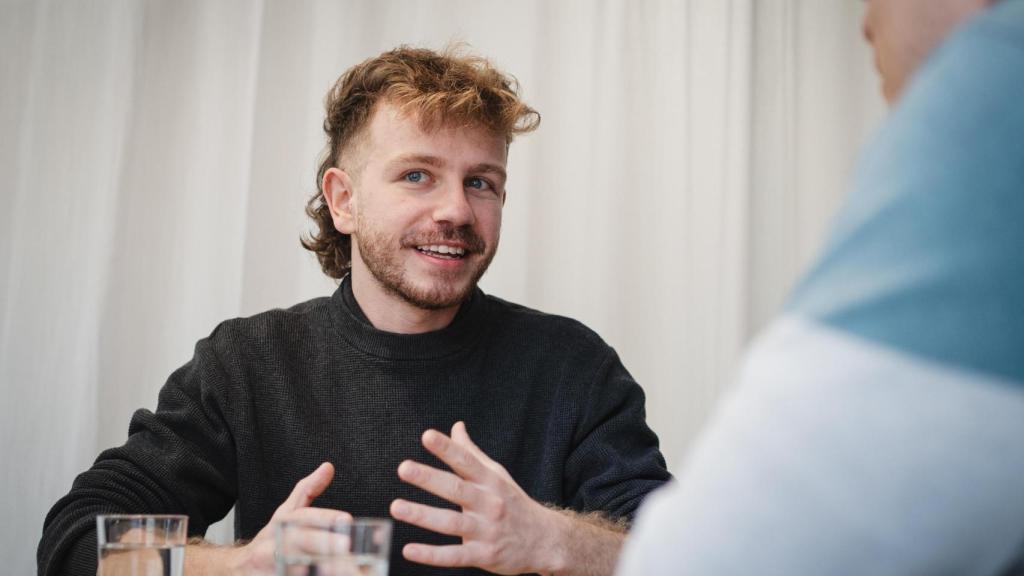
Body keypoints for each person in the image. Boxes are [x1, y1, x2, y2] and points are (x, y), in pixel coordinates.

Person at [38, 46, 670, 576]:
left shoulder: (570, 367)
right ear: (342, 200)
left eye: (481, 181)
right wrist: (238, 566)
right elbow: (75, 545)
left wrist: (553, 540)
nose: (455, 209)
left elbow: (688, 554)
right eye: (417, 175)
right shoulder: (249, 364)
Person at [618, 0, 1024, 574]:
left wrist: (555, 536)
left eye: (483, 181)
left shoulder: (997, 82)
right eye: (435, 175)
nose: (864, 24)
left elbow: (708, 560)